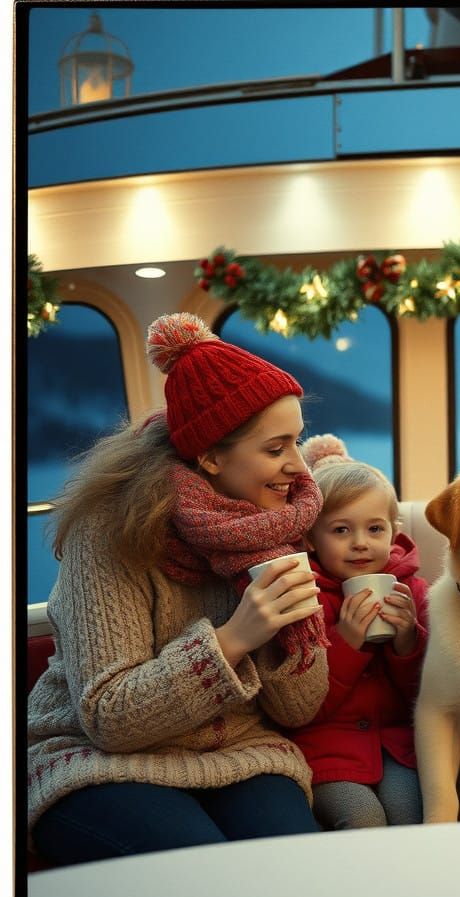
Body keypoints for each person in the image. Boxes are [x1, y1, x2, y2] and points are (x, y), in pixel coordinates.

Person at [28, 312, 330, 865]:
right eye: (276, 448)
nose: (297, 465)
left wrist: (288, 637)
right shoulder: (111, 530)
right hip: (98, 761)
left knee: (297, 872)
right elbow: (110, 719)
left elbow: (298, 713)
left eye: (298, 442)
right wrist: (236, 637)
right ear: (212, 457)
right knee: (203, 876)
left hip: (240, 751)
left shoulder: (276, 526)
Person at [286, 434, 427, 830]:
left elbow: (428, 694)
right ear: (311, 537)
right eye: (341, 530)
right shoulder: (305, 597)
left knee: (410, 814)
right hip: (326, 751)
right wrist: (346, 643)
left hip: (398, 748)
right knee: (363, 818)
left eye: (375, 529)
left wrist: (407, 643)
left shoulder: (413, 591)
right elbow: (301, 707)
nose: (360, 544)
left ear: (394, 532)